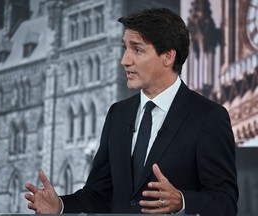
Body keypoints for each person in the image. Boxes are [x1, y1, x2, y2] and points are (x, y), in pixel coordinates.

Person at [25, 8, 238, 215]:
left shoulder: (208, 117)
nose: (124, 60)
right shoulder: (118, 114)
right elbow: (99, 194)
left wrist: (182, 201)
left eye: (137, 49)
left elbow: (225, 202)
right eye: (125, 48)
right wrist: (60, 206)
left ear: (168, 56)